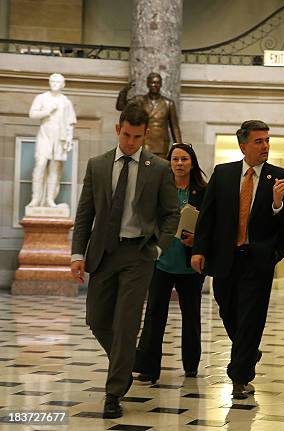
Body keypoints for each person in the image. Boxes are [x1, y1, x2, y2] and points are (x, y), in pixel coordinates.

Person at [70, 103, 179, 419]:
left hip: (139, 254)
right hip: (103, 253)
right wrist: (78, 254)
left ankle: (113, 393)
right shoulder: (98, 165)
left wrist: (158, 248)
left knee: (126, 323)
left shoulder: (157, 168)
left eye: (138, 137)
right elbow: (85, 213)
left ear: (145, 135)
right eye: (127, 135)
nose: (131, 142)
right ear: (118, 130)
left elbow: (171, 213)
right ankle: (127, 361)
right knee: (97, 320)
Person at [190, 120, 284, 400]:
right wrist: (199, 250)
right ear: (243, 145)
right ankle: (249, 351)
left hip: (257, 261)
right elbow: (207, 216)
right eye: (259, 141)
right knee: (228, 311)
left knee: (250, 319)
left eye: (267, 140)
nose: (265, 146)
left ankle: (239, 377)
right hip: (225, 258)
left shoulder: (281, 178)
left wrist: (277, 205)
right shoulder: (223, 174)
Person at [134, 143, 207, 384]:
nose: (179, 164)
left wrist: (199, 241)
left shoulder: (203, 191)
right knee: (155, 314)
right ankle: (148, 367)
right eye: (175, 159)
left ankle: (191, 364)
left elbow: (211, 226)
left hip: (190, 264)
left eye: (184, 159)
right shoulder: (159, 188)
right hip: (161, 261)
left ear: (192, 162)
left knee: (191, 315)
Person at [27, 73, 76, 208]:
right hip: (45, 134)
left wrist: (69, 138)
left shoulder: (66, 102)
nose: (55, 84)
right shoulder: (42, 98)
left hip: (60, 137)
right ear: (49, 83)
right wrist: (47, 110)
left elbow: (70, 122)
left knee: (55, 168)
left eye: (58, 82)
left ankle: (49, 199)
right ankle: (36, 198)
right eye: (52, 81)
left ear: (63, 84)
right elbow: (32, 114)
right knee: (41, 164)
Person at [116, 72, 182, 158]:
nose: (155, 85)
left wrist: (180, 147)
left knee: (159, 169)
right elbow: (121, 107)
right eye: (153, 82)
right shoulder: (139, 100)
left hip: (160, 144)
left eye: (158, 83)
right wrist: (123, 92)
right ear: (148, 84)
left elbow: (175, 128)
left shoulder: (168, 104)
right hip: (144, 143)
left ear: (161, 84)